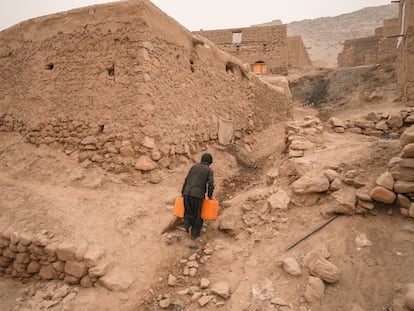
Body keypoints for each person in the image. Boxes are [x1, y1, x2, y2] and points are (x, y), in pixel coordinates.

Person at [180, 152, 215, 240]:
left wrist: (183, 192)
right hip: (197, 195)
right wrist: (210, 196)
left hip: (187, 193)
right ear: (210, 162)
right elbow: (211, 184)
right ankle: (194, 236)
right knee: (197, 215)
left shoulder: (194, 167)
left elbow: (186, 179)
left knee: (188, 211)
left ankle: (185, 226)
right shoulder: (208, 170)